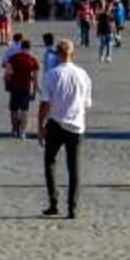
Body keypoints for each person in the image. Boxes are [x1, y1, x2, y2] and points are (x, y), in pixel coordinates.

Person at [38, 36, 92, 219]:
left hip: (56, 122)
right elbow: (87, 103)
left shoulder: (52, 74)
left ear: (58, 54)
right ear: (72, 54)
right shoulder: (83, 75)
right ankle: (72, 208)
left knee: (50, 162)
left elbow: (45, 103)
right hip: (76, 125)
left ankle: (54, 202)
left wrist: (40, 125)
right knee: (74, 167)